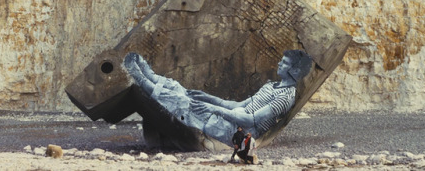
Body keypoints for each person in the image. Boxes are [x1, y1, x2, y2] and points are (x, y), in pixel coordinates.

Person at [124, 50, 312, 145]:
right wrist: (210, 99)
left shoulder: (285, 97)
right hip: (229, 119)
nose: (279, 63)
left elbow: (250, 120)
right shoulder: (271, 85)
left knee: (182, 102)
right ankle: (149, 75)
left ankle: (140, 79)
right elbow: (239, 105)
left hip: (236, 132)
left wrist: (214, 109)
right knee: (183, 91)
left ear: (295, 70)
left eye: (284, 63)